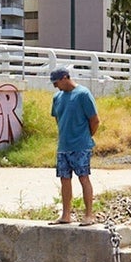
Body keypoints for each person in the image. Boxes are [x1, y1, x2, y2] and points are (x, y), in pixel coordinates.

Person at [48, 67, 99, 225]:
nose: (55, 87)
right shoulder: (57, 97)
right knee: (64, 179)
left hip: (80, 145)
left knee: (83, 177)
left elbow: (95, 120)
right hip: (63, 146)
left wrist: (84, 137)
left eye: (57, 83)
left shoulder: (83, 94)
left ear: (65, 78)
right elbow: (58, 118)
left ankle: (89, 215)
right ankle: (66, 215)